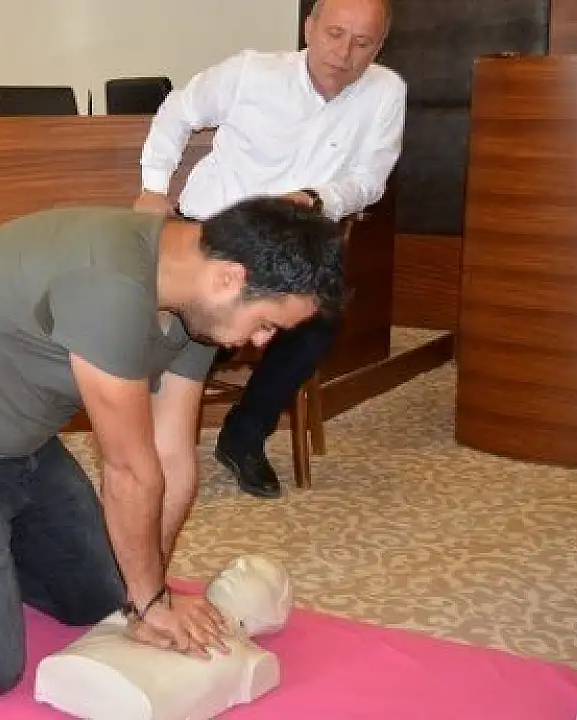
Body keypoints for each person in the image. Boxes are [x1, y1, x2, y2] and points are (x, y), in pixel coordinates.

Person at [0, 199, 346, 699]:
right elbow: (129, 470)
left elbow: (172, 457)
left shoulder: (197, 308)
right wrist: (152, 602)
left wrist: (146, 598)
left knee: (103, 599)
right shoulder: (110, 285)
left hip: (24, 442)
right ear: (229, 277)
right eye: (267, 324)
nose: (260, 343)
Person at [134, 0, 405, 499]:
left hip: (294, 242)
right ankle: (152, 434)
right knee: (185, 318)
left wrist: (317, 199)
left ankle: (245, 434)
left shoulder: (386, 92)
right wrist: (154, 186)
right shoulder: (251, 73)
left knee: (322, 318)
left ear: (379, 47)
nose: (343, 53)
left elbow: (370, 179)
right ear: (309, 28)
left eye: (362, 43)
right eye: (334, 34)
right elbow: (178, 111)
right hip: (212, 230)